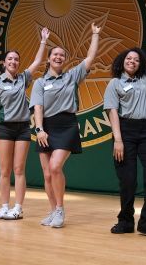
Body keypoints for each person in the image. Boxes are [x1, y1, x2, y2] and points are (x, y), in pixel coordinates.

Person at [104, 8, 146, 240]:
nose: (132, 61)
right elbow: (112, 112)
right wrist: (118, 140)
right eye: (128, 58)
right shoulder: (114, 84)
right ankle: (125, 220)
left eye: (136, 59)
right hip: (125, 132)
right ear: (122, 63)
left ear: (140, 63)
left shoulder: (145, 78)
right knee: (128, 180)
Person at [30, 22, 101, 228]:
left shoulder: (71, 76)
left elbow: (89, 58)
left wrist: (95, 35)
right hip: (46, 127)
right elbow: (38, 109)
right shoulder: (40, 83)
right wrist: (40, 130)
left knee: (55, 167)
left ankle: (60, 210)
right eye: (55, 55)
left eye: (62, 55)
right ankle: (52, 211)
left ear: (65, 59)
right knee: (46, 173)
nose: (58, 57)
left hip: (67, 125)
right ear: (49, 58)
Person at [0, 28, 49, 220]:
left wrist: (43, 41)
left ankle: (18, 207)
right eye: (10, 59)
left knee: (19, 169)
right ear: (4, 63)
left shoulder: (24, 78)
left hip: (22, 128)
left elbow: (37, 62)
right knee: (4, 170)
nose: (13, 62)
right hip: (3, 128)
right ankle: (4, 206)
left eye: (16, 60)